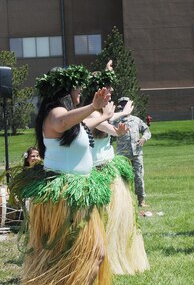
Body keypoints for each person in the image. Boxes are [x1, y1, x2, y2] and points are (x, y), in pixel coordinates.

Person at [9, 65, 113, 284]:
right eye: (77, 88)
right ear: (64, 90)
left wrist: (105, 114)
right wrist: (93, 105)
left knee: (93, 254)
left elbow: (85, 123)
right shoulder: (56, 112)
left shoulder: (73, 120)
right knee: (88, 254)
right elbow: (62, 122)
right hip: (65, 199)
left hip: (77, 196)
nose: (80, 93)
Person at [84, 64, 150, 274]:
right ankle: (98, 255)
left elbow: (110, 126)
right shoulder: (89, 112)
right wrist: (120, 117)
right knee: (100, 217)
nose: (111, 92)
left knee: (117, 217)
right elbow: (99, 123)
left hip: (109, 167)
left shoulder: (105, 111)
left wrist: (118, 123)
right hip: (95, 172)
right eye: (107, 88)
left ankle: (114, 254)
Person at [113, 97, 152, 207]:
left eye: (126, 104)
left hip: (137, 154)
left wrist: (144, 138)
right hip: (123, 155)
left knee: (139, 176)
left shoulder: (136, 120)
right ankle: (124, 201)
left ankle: (141, 200)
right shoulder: (116, 120)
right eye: (122, 104)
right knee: (122, 178)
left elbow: (146, 131)